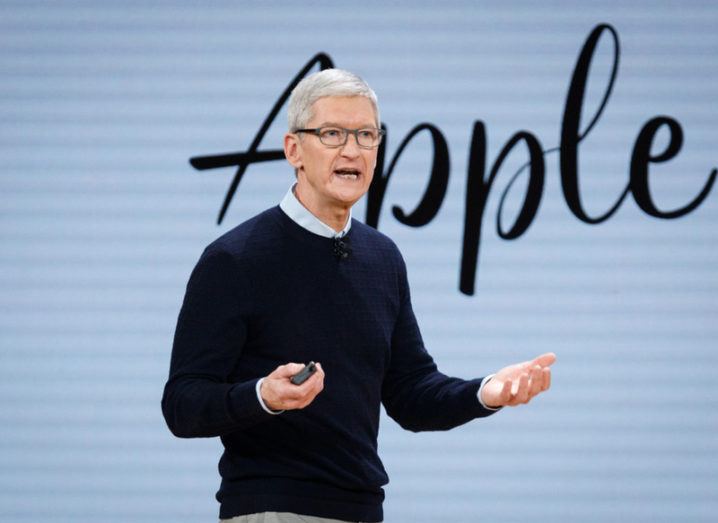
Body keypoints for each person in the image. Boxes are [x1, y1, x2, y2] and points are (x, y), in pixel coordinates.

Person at [161, 69, 555, 523]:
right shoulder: (235, 258)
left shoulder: (383, 257)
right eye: (332, 134)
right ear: (294, 150)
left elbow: (410, 394)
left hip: (364, 510)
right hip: (274, 509)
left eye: (366, 135)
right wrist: (262, 396)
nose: (352, 150)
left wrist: (487, 392)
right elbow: (183, 405)